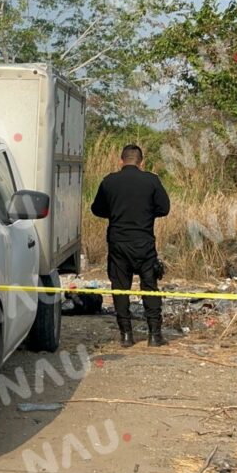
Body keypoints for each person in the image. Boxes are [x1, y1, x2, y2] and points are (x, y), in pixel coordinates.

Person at [90, 144, 171, 347]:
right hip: (144, 243)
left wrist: (116, 211)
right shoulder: (151, 180)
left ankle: (126, 335)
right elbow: (164, 208)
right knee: (150, 287)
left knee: (120, 289)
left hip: (118, 243)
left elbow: (97, 209)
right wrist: (147, 212)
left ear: (121, 160)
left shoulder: (109, 181)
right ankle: (154, 335)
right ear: (141, 162)